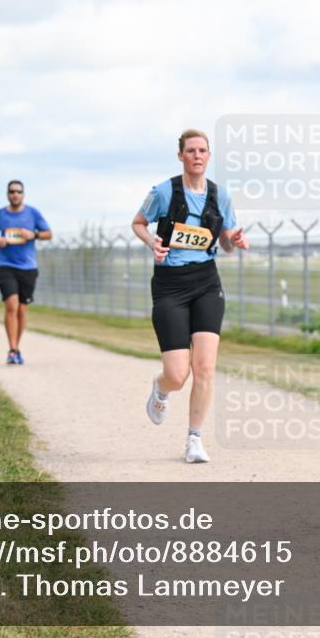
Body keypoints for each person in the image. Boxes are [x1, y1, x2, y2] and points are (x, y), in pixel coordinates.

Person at [131, 129, 249, 463]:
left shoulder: (220, 196)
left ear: (208, 156)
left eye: (202, 151)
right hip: (170, 285)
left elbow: (224, 243)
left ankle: (194, 439)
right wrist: (151, 241)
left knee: (205, 367)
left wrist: (234, 239)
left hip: (207, 282)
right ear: (181, 156)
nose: (197, 156)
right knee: (177, 373)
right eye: (191, 151)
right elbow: (138, 223)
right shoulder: (164, 192)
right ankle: (161, 388)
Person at [0, 180, 52, 364]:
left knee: (22, 309)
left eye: (18, 191)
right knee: (12, 305)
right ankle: (12, 349)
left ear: (23, 194)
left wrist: (34, 235)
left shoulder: (33, 213)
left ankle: (17, 346)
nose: (15, 194)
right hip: (5, 265)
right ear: (7, 194)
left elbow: (48, 233)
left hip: (28, 267)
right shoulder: (0, 214)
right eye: (12, 191)